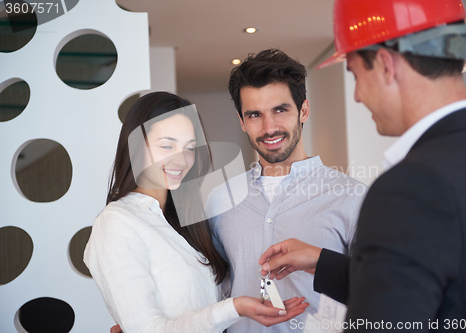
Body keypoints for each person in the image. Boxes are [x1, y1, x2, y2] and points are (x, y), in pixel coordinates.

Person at [260, 0, 466, 331]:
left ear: (386, 64)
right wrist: (323, 262)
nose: (357, 95)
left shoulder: (408, 188)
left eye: (356, 74)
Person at [83, 92, 309, 333]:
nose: (180, 160)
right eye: (167, 145)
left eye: (189, 148)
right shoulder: (117, 222)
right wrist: (235, 308)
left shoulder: (186, 221)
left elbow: (200, 306)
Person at [207, 49, 367, 332]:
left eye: (280, 110)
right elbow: (208, 290)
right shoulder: (219, 200)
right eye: (255, 114)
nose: (269, 128)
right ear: (242, 122)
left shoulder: (353, 198)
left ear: (303, 110)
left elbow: (382, 287)